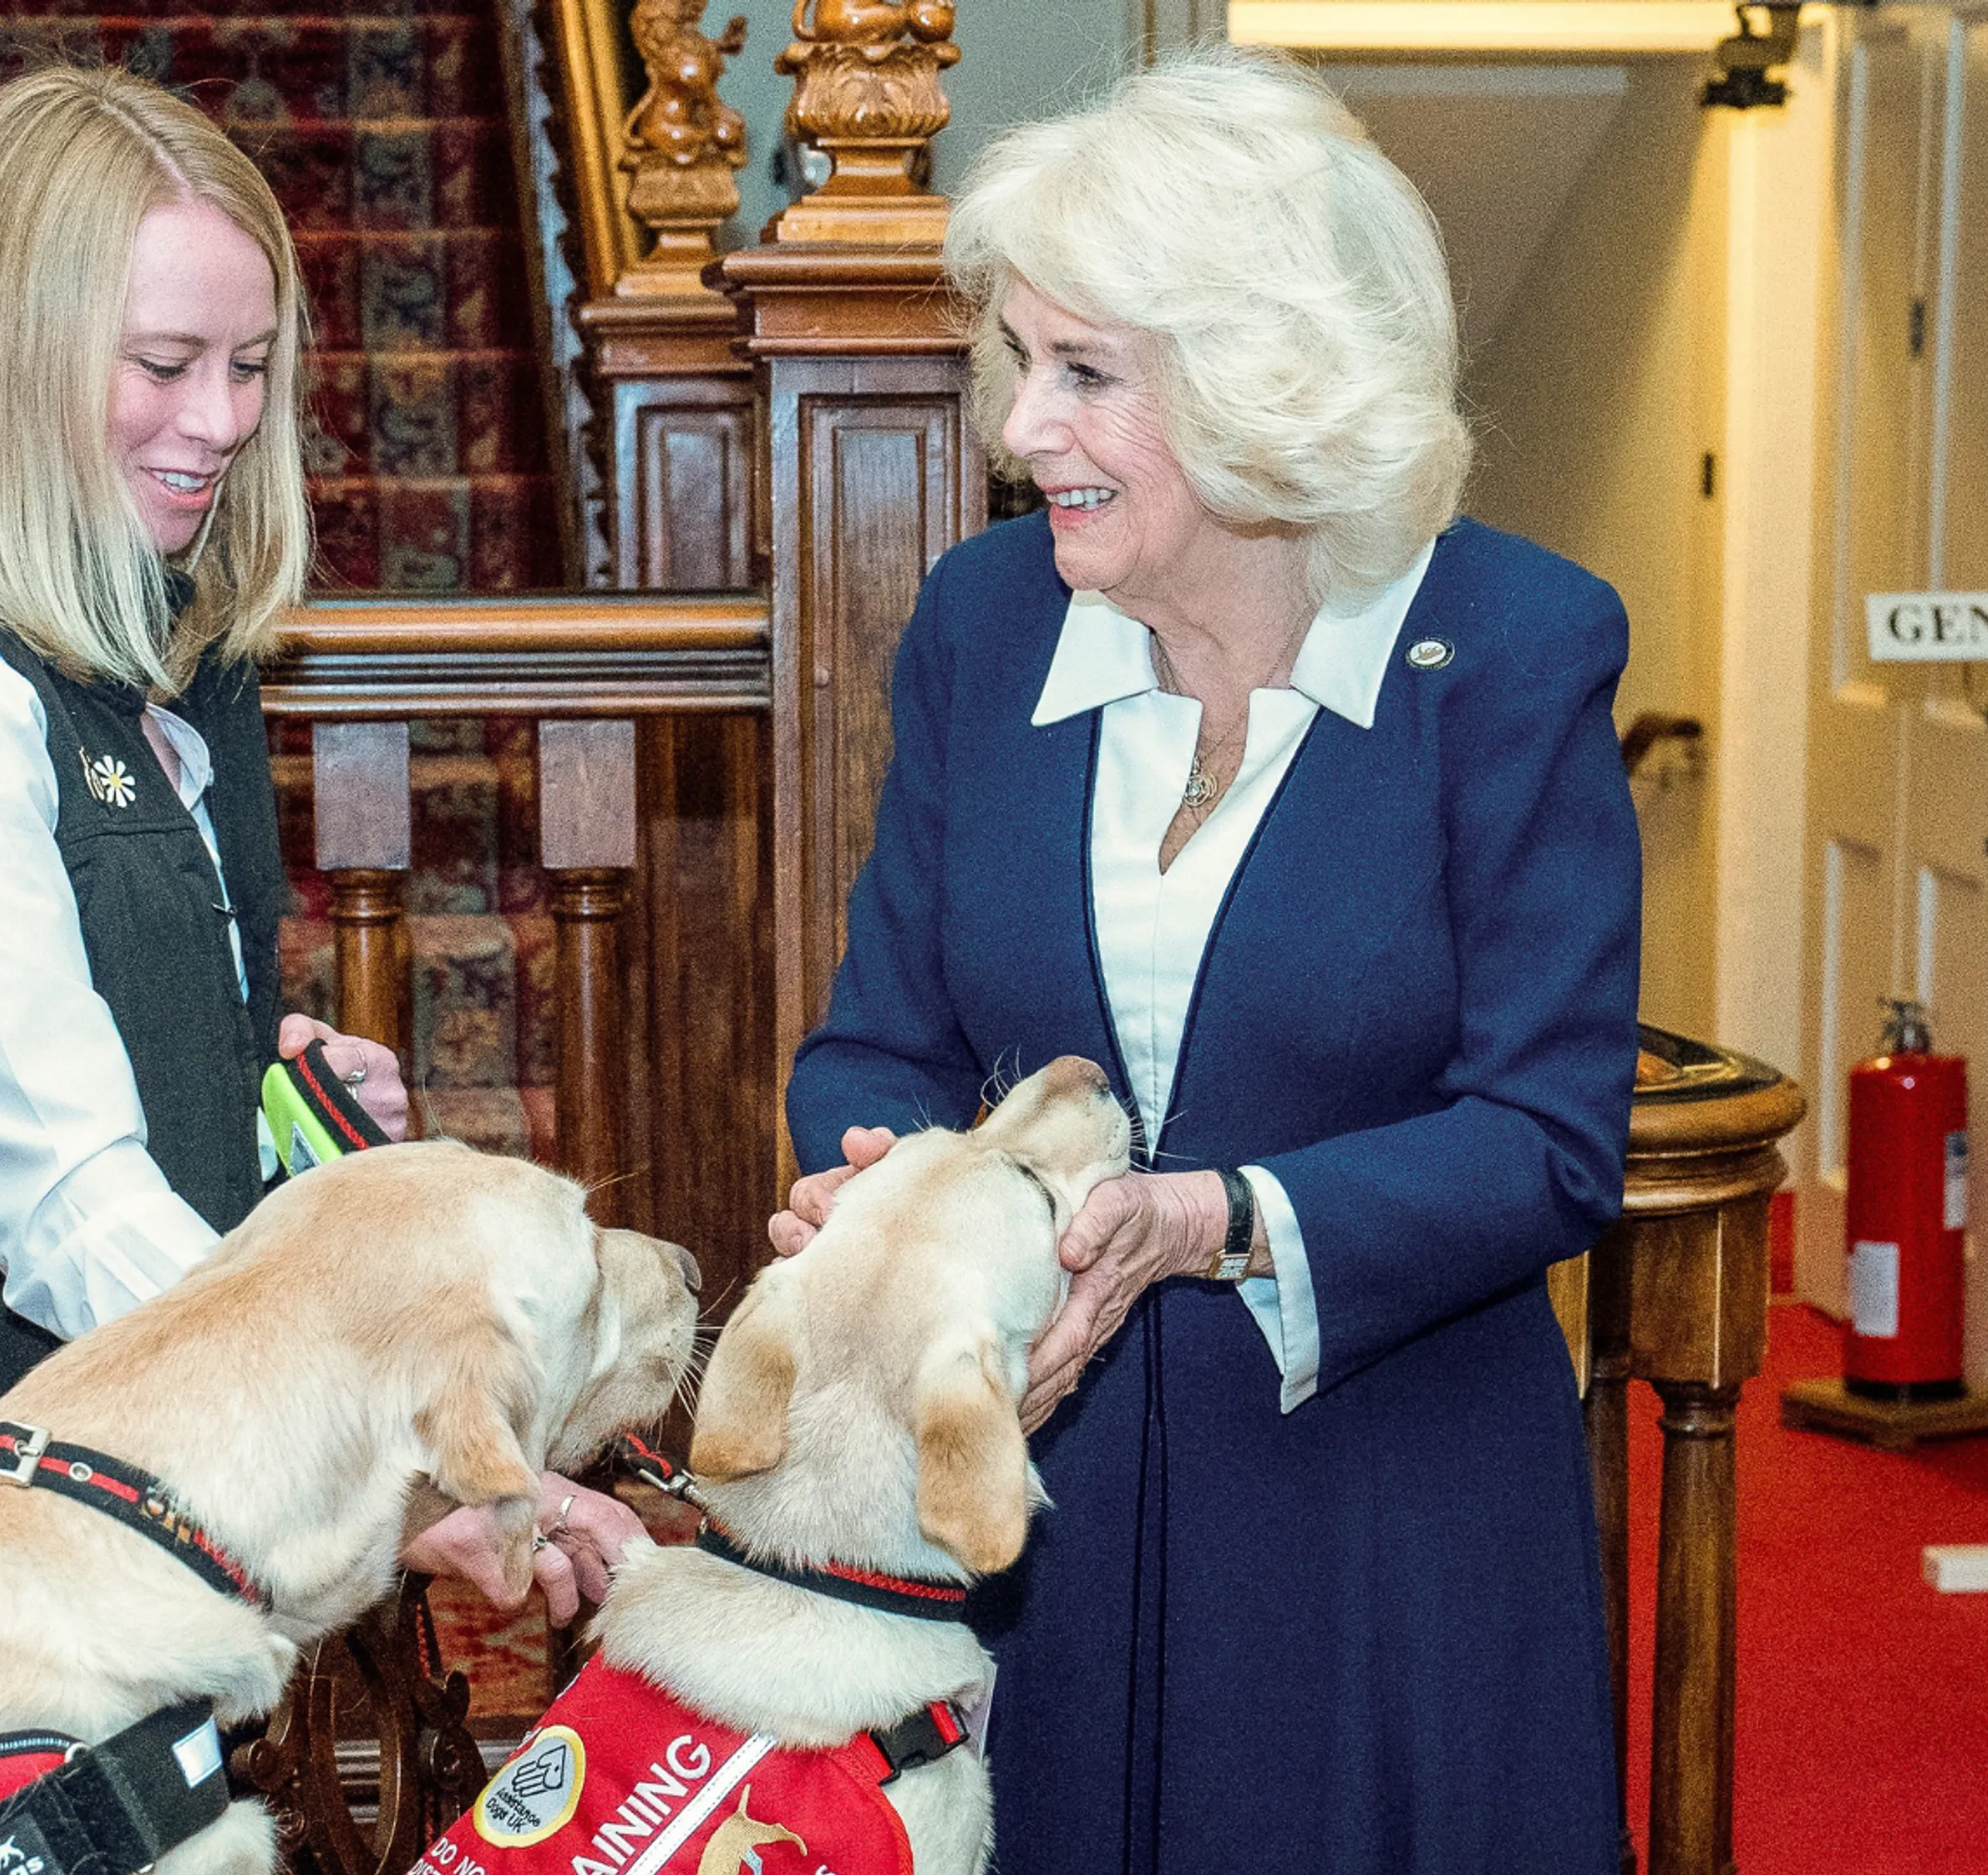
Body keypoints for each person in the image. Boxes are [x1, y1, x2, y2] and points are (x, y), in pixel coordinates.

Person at [769, 49, 1641, 1872]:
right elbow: (878, 1040)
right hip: (1034, 1524)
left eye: (1085, 373)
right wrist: (886, 1189)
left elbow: (1548, 1136)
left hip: (1383, 1542)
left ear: (1267, 389)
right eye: (1023, 362)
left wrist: (1219, 1217)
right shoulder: (983, 624)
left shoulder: (1514, 643)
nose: (1022, 430)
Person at [0, 67, 642, 1613]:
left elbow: (122, 1022)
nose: (218, 422)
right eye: (162, 363)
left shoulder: (169, 649)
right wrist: (402, 1446)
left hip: (139, 1488)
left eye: (250, 366)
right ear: (5, 359)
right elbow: (69, 1204)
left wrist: (253, 1095)